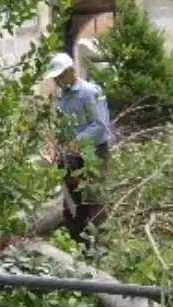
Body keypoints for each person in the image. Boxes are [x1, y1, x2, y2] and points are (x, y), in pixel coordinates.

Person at [43, 52, 113, 244]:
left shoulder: (90, 92)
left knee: (93, 198)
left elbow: (100, 126)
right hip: (70, 155)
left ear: (71, 71)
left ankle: (99, 246)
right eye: (55, 77)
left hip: (94, 153)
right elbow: (61, 126)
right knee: (71, 200)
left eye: (60, 75)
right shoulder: (59, 96)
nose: (57, 80)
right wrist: (56, 145)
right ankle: (77, 243)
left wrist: (77, 142)